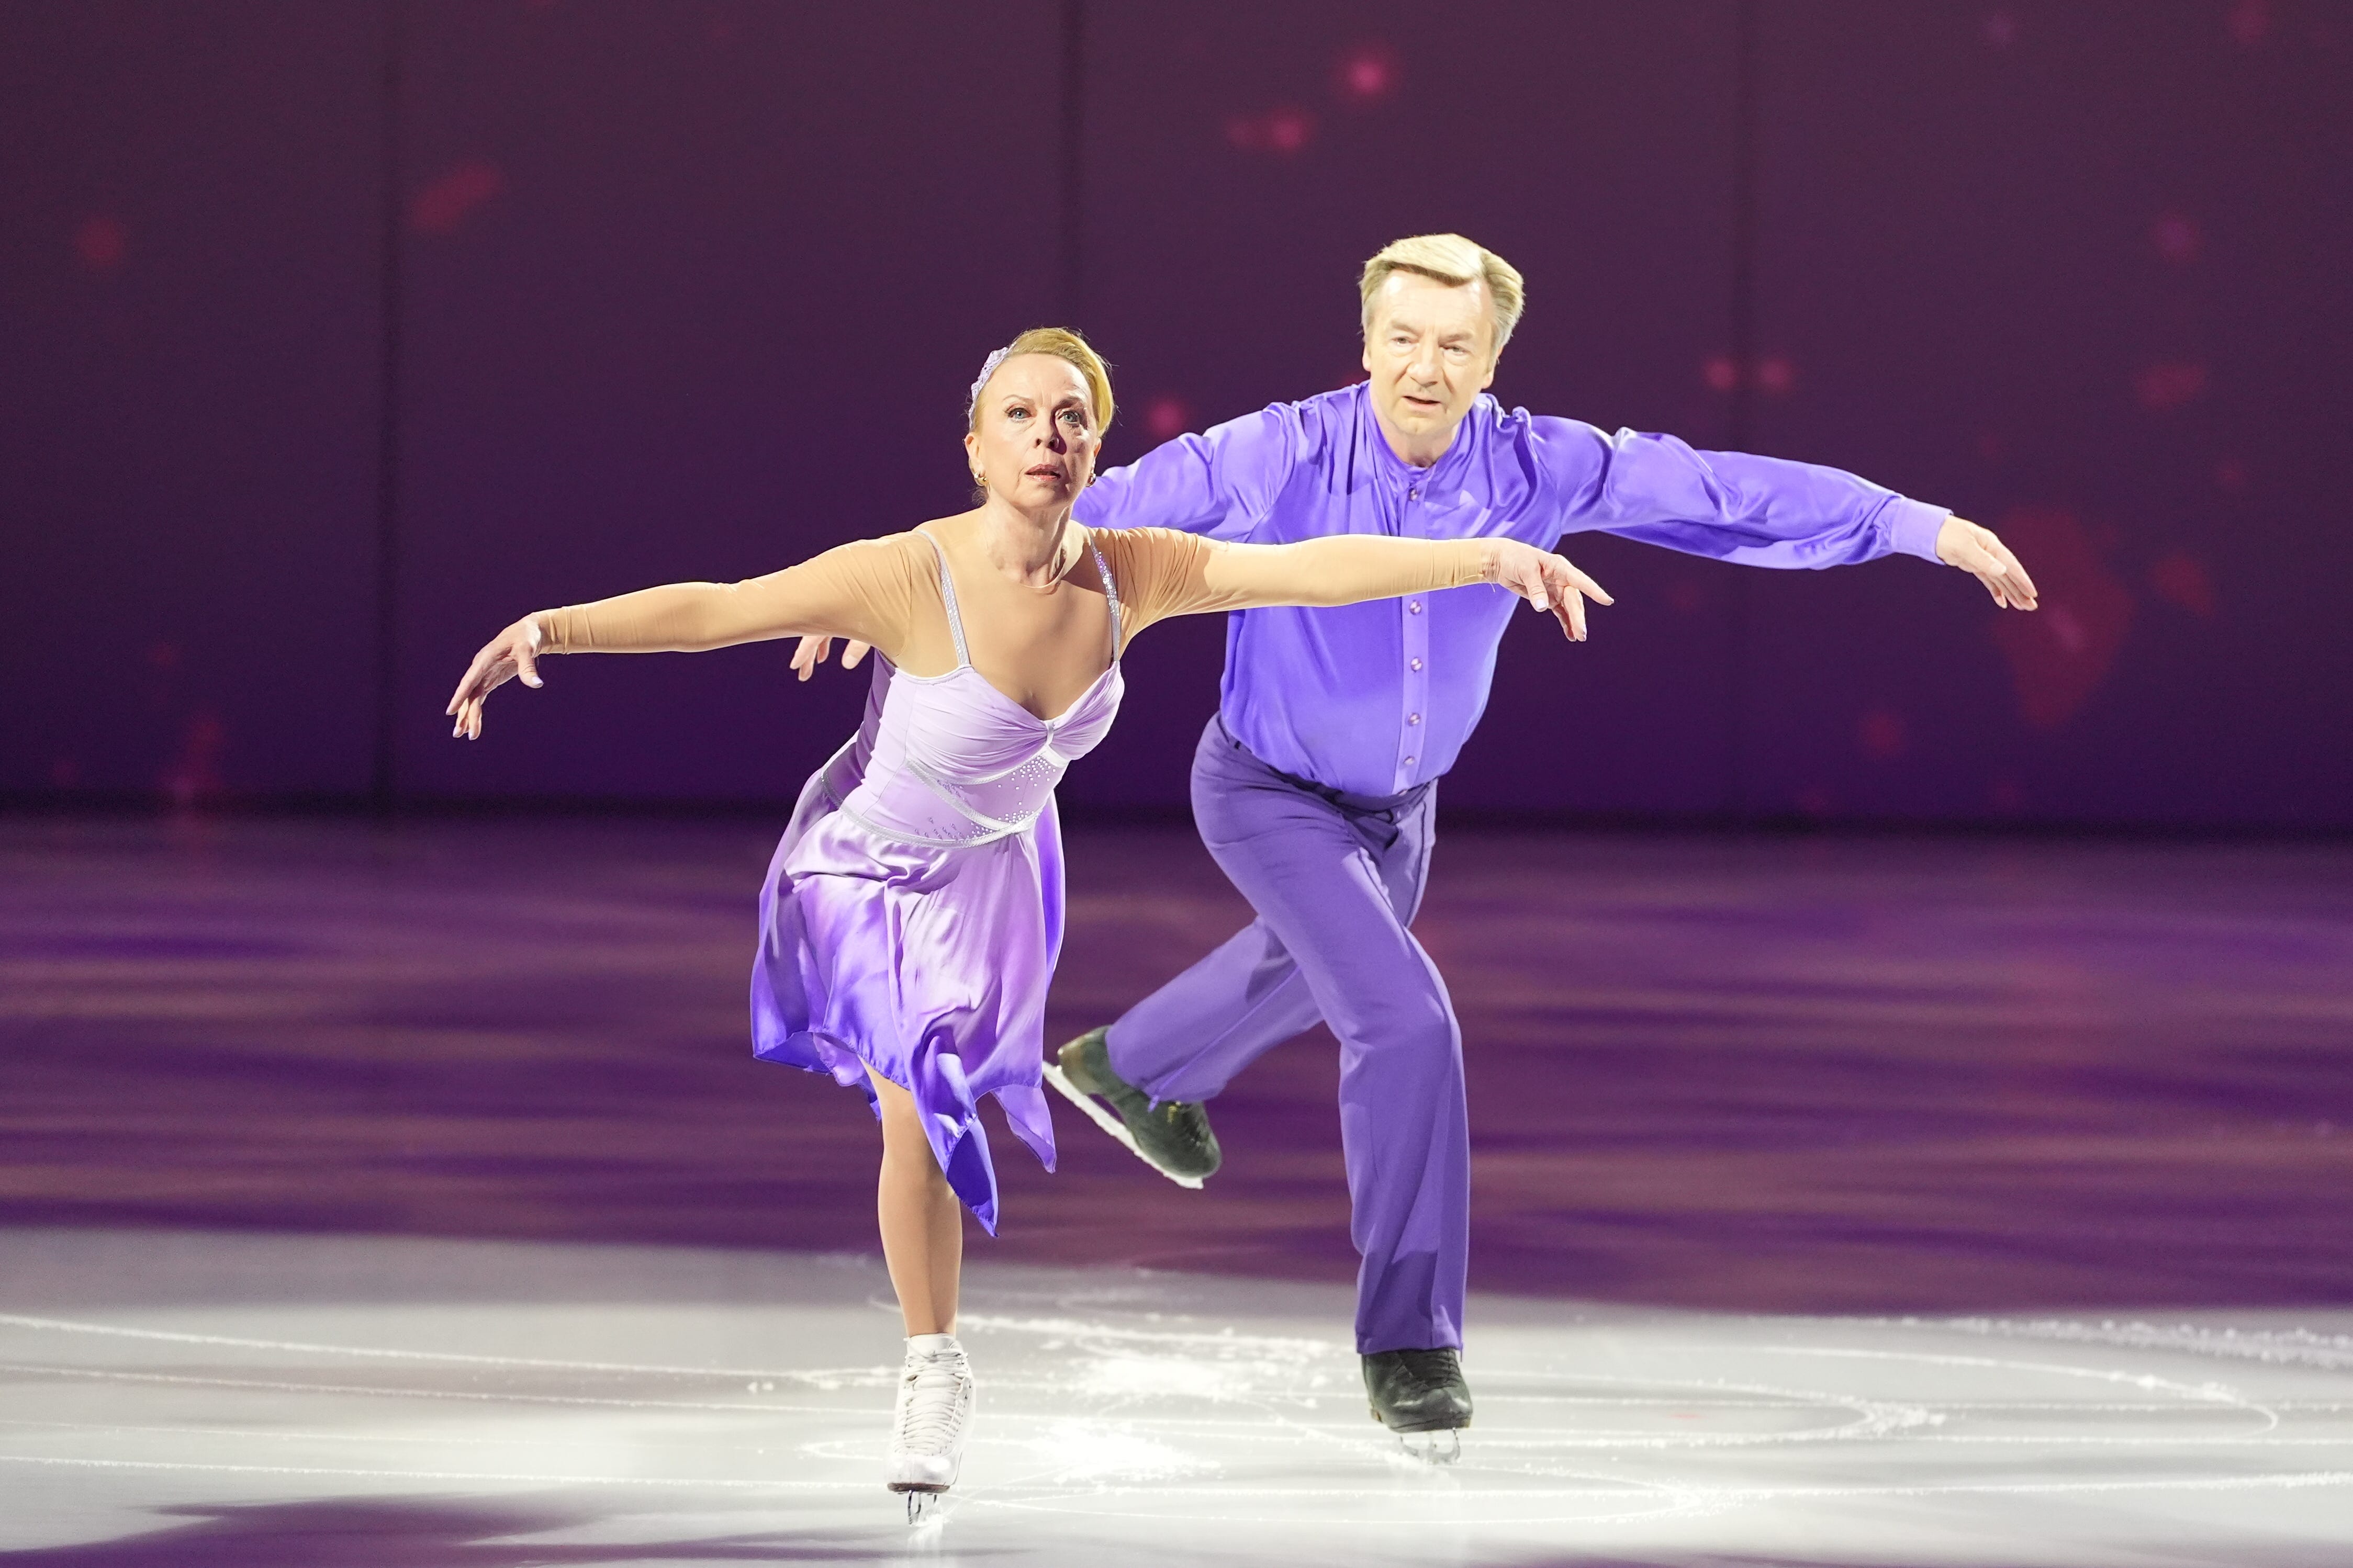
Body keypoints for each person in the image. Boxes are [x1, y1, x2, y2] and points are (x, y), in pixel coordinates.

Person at [798, 235, 2041, 1464]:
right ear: (1365, 343)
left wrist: (1914, 524)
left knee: (1317, 959)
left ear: (1493, 357)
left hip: (1403, 811)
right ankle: (1409, 1342)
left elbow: (1718, 491)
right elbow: (1093, 508)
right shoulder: (1284, 447)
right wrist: (928, 593)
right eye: (1400, 339)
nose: (1422, 367)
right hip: (1265, 790)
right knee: (1406, 1020)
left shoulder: (1541, 465)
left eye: (1454, 345)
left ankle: (1133, 1069)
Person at [444, 327, 1605, 1515]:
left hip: (999, 872)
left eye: (1071, 420)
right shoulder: (907, 573)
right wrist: (550, 629)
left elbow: (1303, 569)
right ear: (974, 447)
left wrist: (1489, 558)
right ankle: (932, 1366)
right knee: (922, 1097)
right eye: (1020, 417)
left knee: (939, 1098)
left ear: (1093, 450)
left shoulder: (1127, 569)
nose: (1046, 438)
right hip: (871, 869)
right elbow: (720, 610)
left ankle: (945, 1326)